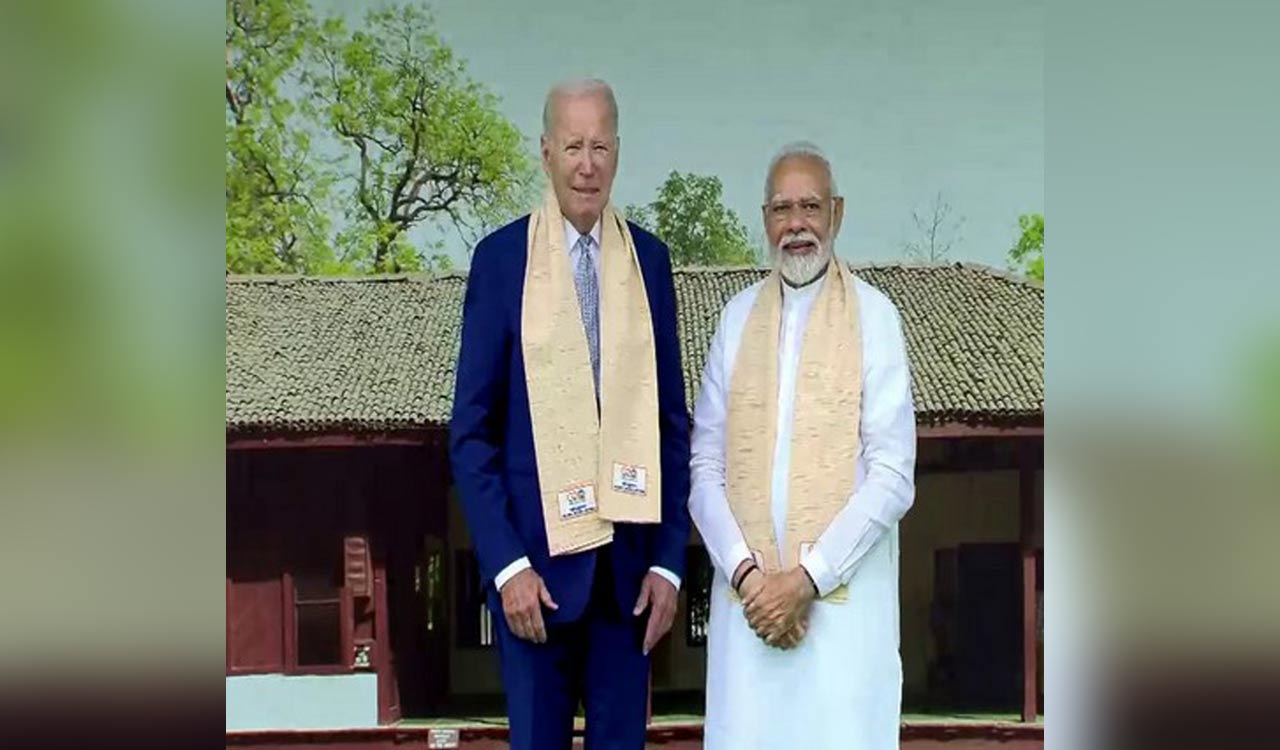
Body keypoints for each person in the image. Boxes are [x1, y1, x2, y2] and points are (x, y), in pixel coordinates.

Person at [449, 79, 691, 750]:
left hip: (628, 585)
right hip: (536, 584)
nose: (587, 164)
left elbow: (672, 425)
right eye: (573, 146)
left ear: (618, 154)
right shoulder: (501, 262)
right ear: (547, 152)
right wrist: (506, 570)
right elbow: (471, 436)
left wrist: (670, 564)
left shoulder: (650, 261)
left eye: (601, 147)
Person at [688, 142, 916, 750]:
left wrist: (805, 581)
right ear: (765, 218)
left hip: (840, 621)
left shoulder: (876, 318)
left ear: (836, 213)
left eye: (810, 206)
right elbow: (704, 467)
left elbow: (893, 475)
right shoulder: (735, 322)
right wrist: (750, 577)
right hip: (748, 617)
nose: (796, 224)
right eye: (782, 208)